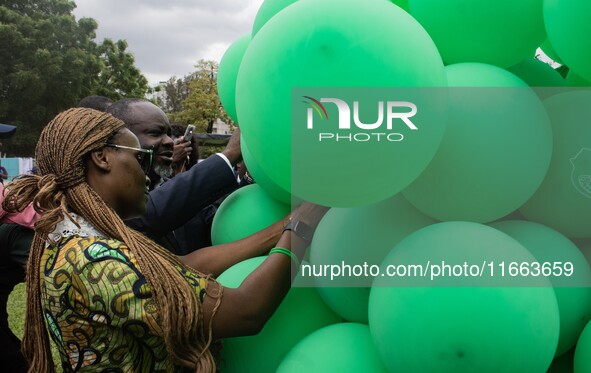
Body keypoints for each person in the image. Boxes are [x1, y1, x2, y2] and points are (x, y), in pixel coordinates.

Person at [3, 108, 326, 372]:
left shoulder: (77, 240)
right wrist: (300, 229)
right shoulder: (96, 261)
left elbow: (179, 266)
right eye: (140, 158)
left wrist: (280, 228)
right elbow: (245, 311)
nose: (147, 174)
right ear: (101, 157)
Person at [107, 99, 240, 253]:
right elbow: (153, 212)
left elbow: (221, 224)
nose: (170, 141)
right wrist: (230, 154)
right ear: (123, 138)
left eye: (169, 134)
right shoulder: (110, 200)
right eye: (156, 133)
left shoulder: (178, 192)